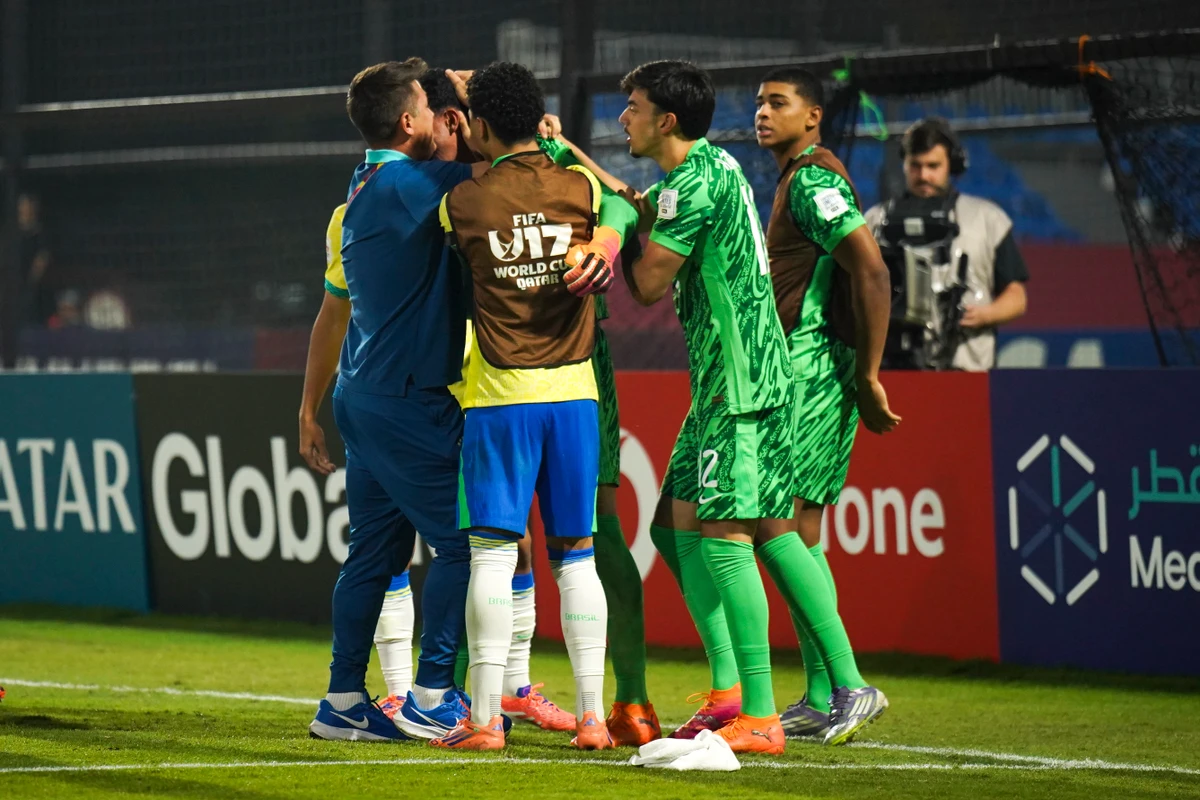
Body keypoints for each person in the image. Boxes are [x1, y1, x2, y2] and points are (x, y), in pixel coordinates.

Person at [616, 59, 811, 756]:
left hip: (742, 381)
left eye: (633, 107)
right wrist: (637, 206)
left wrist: (616, 226)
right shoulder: (705, 170)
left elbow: (642, 285)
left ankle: (760, 712)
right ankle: (729, 691)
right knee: (672, 529)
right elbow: (665, 222)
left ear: (666, 120)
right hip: (718, 384)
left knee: (728, 537)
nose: (622, 119)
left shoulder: (693, 183)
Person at [430, 61, 617, 751]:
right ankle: (592, 719)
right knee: (577, 555)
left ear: (478, 124)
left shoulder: (466, 204)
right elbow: (623, 203)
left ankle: (484, 722)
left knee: (489, 556)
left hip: (500, 396)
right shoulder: (580, 190)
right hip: (573, 395)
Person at [305, 57, 486, 743]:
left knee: (373, 557)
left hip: (365, 392)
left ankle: (344, 700)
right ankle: (432, 693)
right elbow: (510, 178)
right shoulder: (412, 182)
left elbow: (333, 311)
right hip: (408, 399)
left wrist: (308, 409)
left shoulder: (367, 183)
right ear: (411, 122)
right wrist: (479, 108)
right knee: (468, 542)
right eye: (431, 106)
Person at [755, 67, 897, 744]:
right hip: (803, 366)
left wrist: (869, 373)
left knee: (773, 523)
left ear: (812, 116)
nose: (763, 112)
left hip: (811, 369)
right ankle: (819, 693)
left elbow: (869, 268)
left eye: (777, 103)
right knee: (800, 533)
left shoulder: (812, 180)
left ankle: (849, 684)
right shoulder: (794, 177)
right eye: (758, 102)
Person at [864, 117, 1029, 370]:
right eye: (915, 165)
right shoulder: (875, 220)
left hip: (968, 368)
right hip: (892, 367)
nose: (924, 175)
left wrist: (985, 314)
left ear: (952, 164)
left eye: (933, 165)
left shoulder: (987, 218)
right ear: (904, 164)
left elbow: (1016, 296)